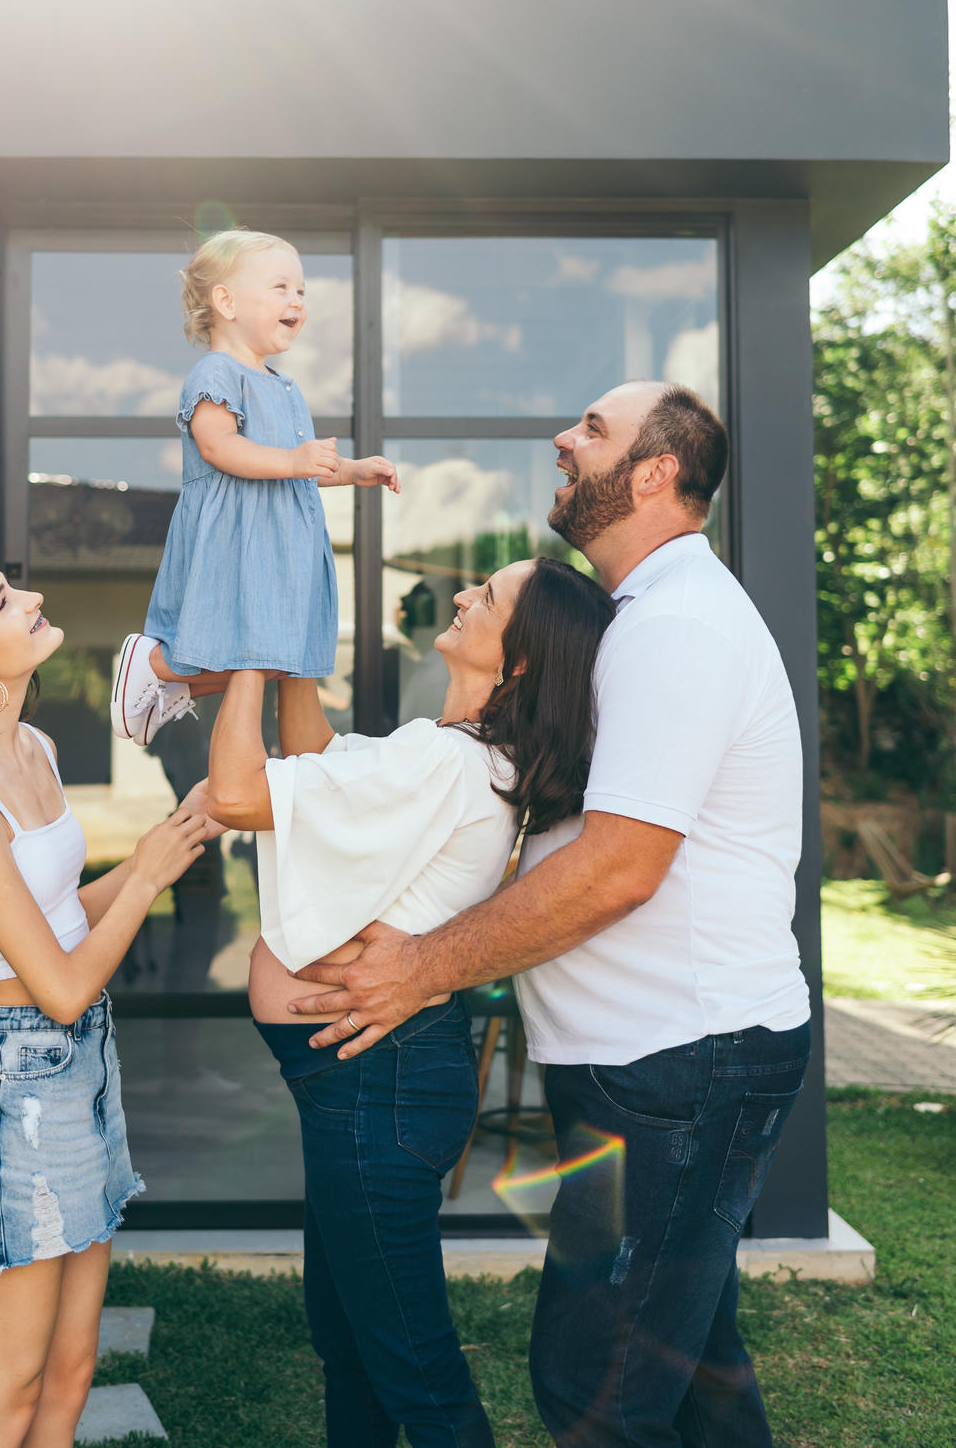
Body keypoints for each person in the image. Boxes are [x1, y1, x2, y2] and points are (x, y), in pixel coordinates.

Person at [289, 381, 813, 1448]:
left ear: (655, 473)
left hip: (683, 1068)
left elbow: (619, 870)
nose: (565, 440)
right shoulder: (640, 620)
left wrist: (421, 966)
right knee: (691, 1367)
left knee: (594, 1384)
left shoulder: (678, 627)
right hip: (647, 1065)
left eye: (593, 430)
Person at [205, 556, 616, 1448]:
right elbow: (317, 760)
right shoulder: (455, 752)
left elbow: (237, 795)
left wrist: (248, 656)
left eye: (488, 596)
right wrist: (295, 647)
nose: (462, 594)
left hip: (377, 1089)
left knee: (414, 1369)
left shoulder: (448, 760)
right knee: (351, 1344)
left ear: (517, 661)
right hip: (370, 1084)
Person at [0, 556, 212, 1448]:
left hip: (86, 1062)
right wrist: (149, 879)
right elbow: (57, 987)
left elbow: (63, 920)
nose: (33, 599)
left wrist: (161, 845)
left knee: (71, 1368)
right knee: (4, 1395)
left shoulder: (36, 748)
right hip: (18, 1084)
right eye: (4, 599)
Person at [110, 228, 398, 743]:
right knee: (238, 649)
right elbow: (218, 445)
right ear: (226, 302)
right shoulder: (217, 373)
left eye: (301, 291)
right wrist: (292, 459)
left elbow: (299, 466)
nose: (297, 301)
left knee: (281, 659)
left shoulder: (285, 388)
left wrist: (352, 470)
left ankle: (179, 689)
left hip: (284, 548)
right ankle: (155, 664)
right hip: (239, 541)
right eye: (281, 288)